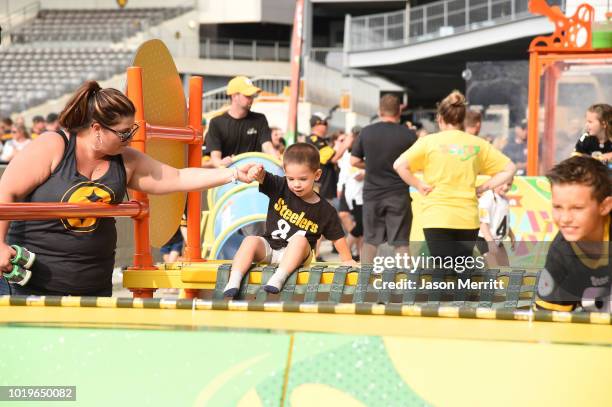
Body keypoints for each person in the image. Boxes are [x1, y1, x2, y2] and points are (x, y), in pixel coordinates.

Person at [0, 80, 258, 297]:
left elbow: (178, 178)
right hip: (29, 285)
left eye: (131, 130)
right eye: (124, 133)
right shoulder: (54, 146)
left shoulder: (127, 160)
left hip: (92, 289)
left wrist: (233, 173)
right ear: (97, 129)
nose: (130, 138)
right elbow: (5, 192)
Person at [394, 90, 516, 264]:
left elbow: (399, 165)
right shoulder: (477, 144)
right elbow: (509, 168)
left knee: (441, 270)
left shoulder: (429, 142)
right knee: (461, 269)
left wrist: (418, 185)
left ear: (440, 119)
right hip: (467, 217)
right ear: (462, 120)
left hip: (437, 215)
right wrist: (483, 187)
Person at [222, 143, 356, 297]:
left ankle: (279, 277)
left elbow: (337, 237)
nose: (296, 184)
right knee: (250, 240)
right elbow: (263, 177)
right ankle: (234, 279)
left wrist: (347, 259)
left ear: (317, 175)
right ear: (285, 173)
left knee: (299, 239)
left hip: (297, 256)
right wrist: (256, 172)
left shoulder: (326, 210)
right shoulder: (280, 186)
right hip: (271, 246)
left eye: (303, 179)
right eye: (291, 178)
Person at [535, 156, 611, 312]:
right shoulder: (560, 254)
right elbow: (548, 322)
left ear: (605, 206)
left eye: (577, 208)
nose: (565, 219)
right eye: (558, 207)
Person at [351, 94, 417, 264]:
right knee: (401, 243)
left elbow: (354, 161)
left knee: (370, 240)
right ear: (399, 111)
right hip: (399, 195)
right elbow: (415, 165)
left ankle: (364, 282)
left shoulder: (367, 132)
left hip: (372, 195)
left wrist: (371, 165)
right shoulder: (408, 135)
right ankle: (405, 284)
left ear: (380, 111)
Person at [205, 76, 279, 168]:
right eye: (248, 95)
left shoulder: (260, 119)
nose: (251, 99)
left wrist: (278, 162)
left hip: (254, 175)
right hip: (229, 177)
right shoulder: (216, 123)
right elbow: (215, 158)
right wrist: (222, 163)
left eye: (252, 96)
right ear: (234, 96)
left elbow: (267, 146)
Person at [337, 126, 364, 260]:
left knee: (361, 226)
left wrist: (365, 173)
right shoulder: (348, 153)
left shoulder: (365, 151)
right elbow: (344, 173)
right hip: (352, 192)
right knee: (360, 225)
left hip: (362, 193)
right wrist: (340, 187)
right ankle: (347, 252)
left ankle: (355, 253)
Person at [476, 180, 516, 267]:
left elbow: (503, 221)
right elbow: (482, 223)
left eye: (509, 184)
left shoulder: (504, 199)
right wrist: (491, 243)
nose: (505, 187)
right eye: (502, 183)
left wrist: (511, 235)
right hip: (485, 241)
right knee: (493, 273)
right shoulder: (487, 198)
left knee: (506, 271)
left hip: (498, 241)